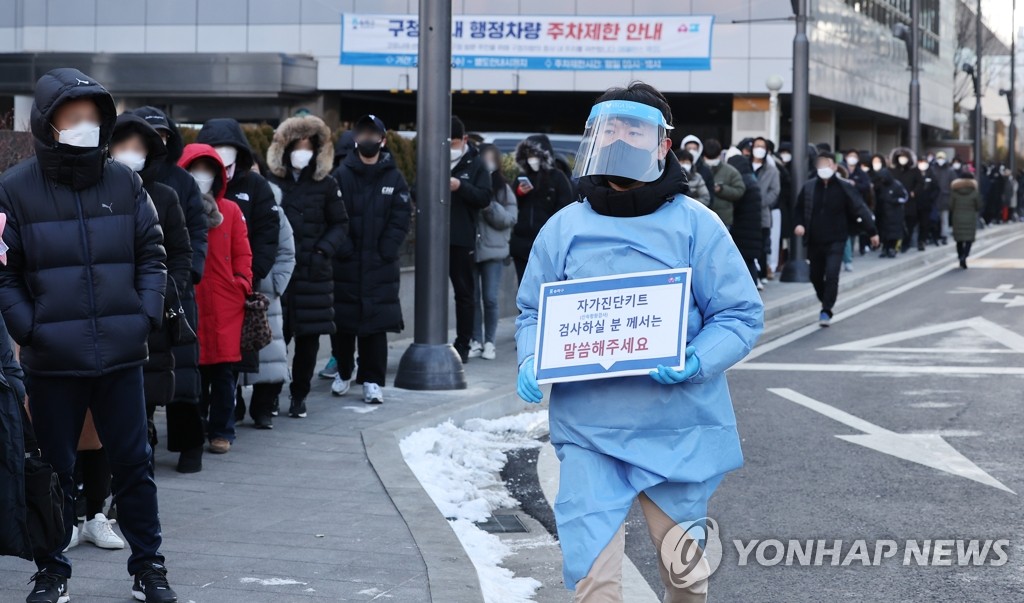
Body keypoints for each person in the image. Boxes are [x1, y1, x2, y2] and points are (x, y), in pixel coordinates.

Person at [515, 82, 764, 603]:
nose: (621, 138)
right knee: (594, 583)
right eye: (611, 127)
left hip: (676, 427)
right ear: (595, 136)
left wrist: (698, 359)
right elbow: (534, 309)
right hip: (589, 430)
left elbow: (739, 314)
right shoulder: (563, 228)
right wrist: (533, 354)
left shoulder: (699, 225)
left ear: (662, 144)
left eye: (634, 128)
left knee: (687, 578)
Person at [0, 68, 177, 603]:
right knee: (51, 470)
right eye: (73, 118)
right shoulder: (15, 188)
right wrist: (29, 327)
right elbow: (5, 272)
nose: (85, 127)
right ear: (48, 123)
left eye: (93, 118)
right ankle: (52, 571)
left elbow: (153, 253)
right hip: (52, 360)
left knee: (135, 467)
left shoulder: (124, 181)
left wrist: (143, 314)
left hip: (121, 355)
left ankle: (149, 569)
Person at [129, 106, 209, 474]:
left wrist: (184, 278)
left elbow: (192, 237)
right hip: (131, 298)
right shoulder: (112, 183)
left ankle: (189, 445)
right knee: (139, 379)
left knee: (183, 377)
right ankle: (140, 440)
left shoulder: (179, 183)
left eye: (161, 134)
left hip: (174, 293)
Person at [266, 115, 350, 418]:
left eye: (308, 145)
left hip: (314, 274)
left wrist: (322, 250)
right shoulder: (272, 181)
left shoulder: (326, 184)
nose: (302, 151)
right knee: (277, 340)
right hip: (281, 273)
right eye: (296, 145)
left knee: (308, 342)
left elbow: (340, 223)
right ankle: (271, 395)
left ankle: (299, 395)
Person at [330, 114, 411, 403]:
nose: (368, 139)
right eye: (362, 133)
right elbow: (334, 215)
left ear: (383, 140)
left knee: (375, 328)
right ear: (355, 138)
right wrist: (345, 249)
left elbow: (401, 217)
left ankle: (372, 380)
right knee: (343, 324)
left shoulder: (394, 176)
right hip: (346, 265)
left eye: (373, 134)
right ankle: (343, 371)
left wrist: (386, 250)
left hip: (380, 266)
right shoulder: (341, 174)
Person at [178, 144, 252, 456]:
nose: (202, 177)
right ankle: (197, 428)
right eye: (196, 169)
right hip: (190, 299)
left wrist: (242, 284)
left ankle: (223, 430)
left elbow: (243, 253)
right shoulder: (176, 207)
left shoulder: (232, 211)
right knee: (195, 375)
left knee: (224, 375)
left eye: (209, 170)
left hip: (226, 305)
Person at [794, 153, 879, 327]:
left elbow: (860, 208)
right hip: (814, 240)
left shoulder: (844, 187)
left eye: (827, 164)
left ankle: (826, 309)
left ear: (834, 167)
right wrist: (799, 224)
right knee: (815, 276)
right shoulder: (809, 187)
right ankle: (825, 298)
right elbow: (799, 209)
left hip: (837, 239)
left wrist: (872, 231)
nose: (824, 168)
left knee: (832, 275)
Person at [238, 175, 296, 429]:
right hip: (234, 288)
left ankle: (263, 407)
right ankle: (234, 405)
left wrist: (275, 286)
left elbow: (286, 251)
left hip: (265, 292)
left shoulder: (273, 209)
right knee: (232, 352)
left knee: (270, 352)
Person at [196, 118, 281, 284]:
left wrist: (248, 277)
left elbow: (268, 232)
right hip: (199, 280)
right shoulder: (193, 182)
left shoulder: (255, 185)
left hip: (241, 281)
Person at [449, 116, 493, 362]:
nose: (450, 148)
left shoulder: (475, 164)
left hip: (461, 237)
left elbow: (485, 197)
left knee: (464, 293)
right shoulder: (433, 157)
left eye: (454, 142)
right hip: (433, 238)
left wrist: (460, 187)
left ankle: (463, 343)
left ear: (464, 140)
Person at [469, 143, 518, 361]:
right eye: (484, 158)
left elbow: (509, 219)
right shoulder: (472, 183)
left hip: (494, 251)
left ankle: (490, 341)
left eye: (491, 158)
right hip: (472, 248)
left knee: (489, 298)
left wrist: (489, 207)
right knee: (473, 298)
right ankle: (476, 340)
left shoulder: (503, 188)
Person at [509, 134, 574, 285]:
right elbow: (511, 206)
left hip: (547, 245)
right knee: (523, 288)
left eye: (535, 154)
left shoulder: (558, 178)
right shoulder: (521, 177)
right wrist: (519, 194)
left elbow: (565, 210)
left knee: (546, 287)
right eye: (528, 155)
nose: (532, 159)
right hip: (521, 244)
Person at [726, 150, 766, 289]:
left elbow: (736, 203)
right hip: (753, 231)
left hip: (742, 230)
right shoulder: (752, 180)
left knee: (745, 265)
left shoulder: (742, 182)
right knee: (749, 262)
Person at [751, 137, 780, 281]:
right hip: (746, 214)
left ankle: (762, 274)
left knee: (763, 245)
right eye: (757, 146)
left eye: (762, 146)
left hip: (763, 213)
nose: (759, 149)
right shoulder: (746, 165)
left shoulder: (771, 170)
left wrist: (761, 202)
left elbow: (775, 191)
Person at [870, 154, 909, 258]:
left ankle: (892, 249)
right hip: (883, 214)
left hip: (895, 214)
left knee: (894, 234)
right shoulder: (881, 186)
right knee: (884, 233)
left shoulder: (897, 185)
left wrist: (894, 201)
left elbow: (905, 197)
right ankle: (885, 249)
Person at [702, 138, 746, 227]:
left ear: (719, 155)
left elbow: (740, 190)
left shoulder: (731, 171)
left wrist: (721, 189)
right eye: (708, 157)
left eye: (713, 157)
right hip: (701, 217)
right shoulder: (698, 170)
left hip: (723, 220)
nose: (711, 161)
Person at [950, 172, 981, 269]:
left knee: (959, 239)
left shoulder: (954, 192)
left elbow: (951, 205)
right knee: (969, 239)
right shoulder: (974, 192)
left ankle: (960, 256)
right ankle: (965, 255)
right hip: (970, 217)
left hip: (957, 217)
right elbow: (978, 206)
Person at [931, 151, 955, 245]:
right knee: (935, 219)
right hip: (935, 198)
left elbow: (953, 183)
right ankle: (935, 236)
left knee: (944, 219)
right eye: (939, 158)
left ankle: (944, 235)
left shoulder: (950, 171)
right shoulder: (933, 169)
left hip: (945, 197)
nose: (940, 160)